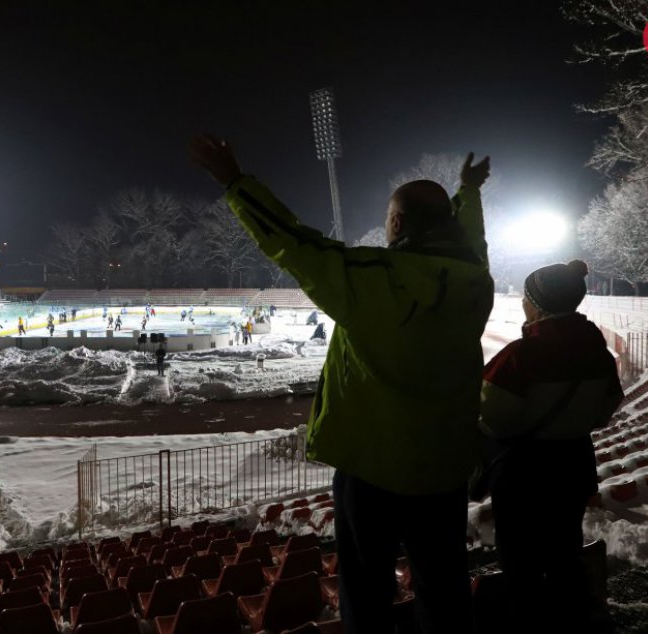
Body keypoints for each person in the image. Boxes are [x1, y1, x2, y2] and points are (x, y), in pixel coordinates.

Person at [191, 135, 493, 634]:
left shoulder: (372, 279)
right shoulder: (474, 281)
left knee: (366, 585)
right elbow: (471, 242)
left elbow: (293, 240)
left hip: (372, 469)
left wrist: (234, 182)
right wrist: (468, 194)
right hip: (444, 465)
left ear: (395, 223)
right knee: (444, 583)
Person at [479, 260, 623, 633]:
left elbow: (490, 415)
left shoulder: (521, 355)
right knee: (564, 551)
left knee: (521, 562)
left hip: (524, 473)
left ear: (536, 304)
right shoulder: (599, 354)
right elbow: (606, 407)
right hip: (573, 464)